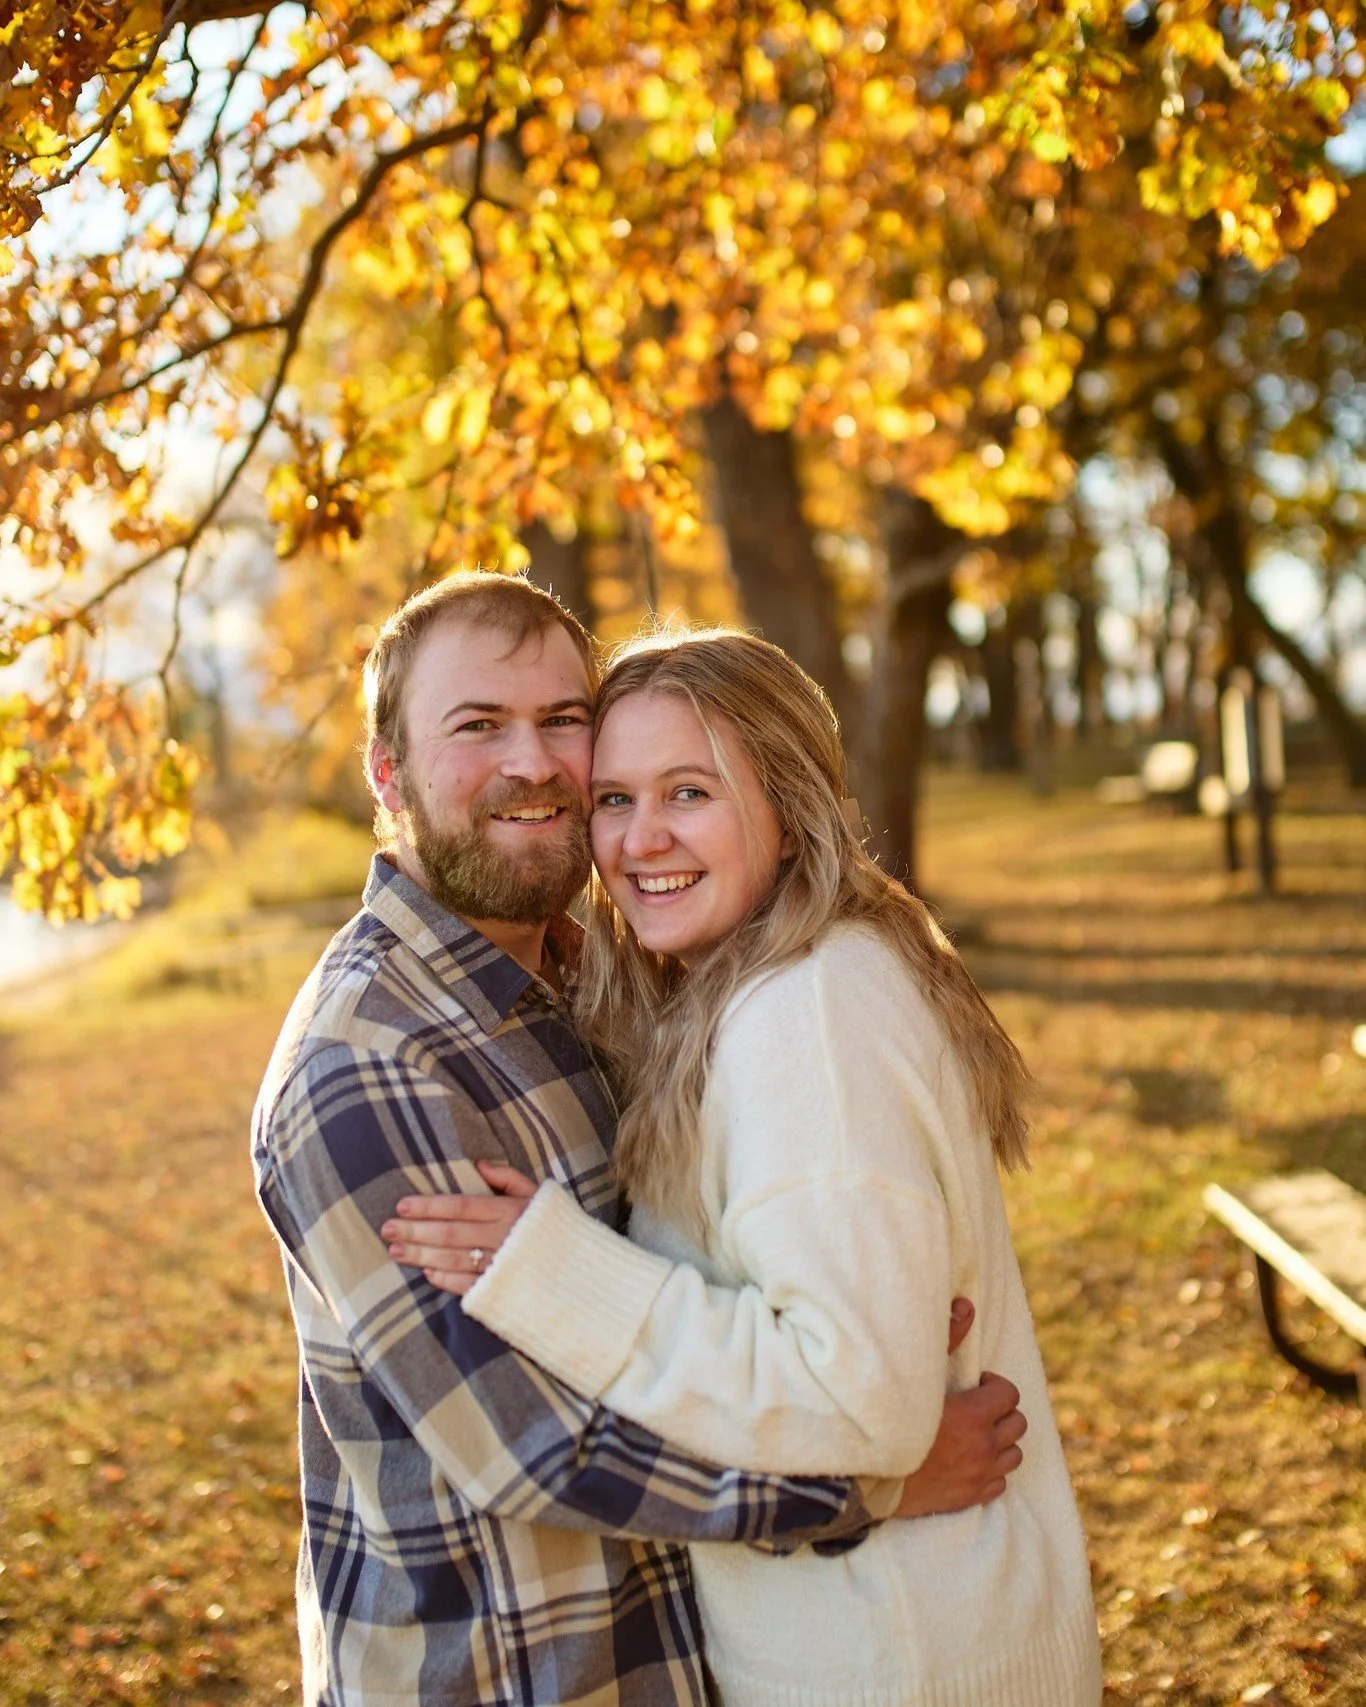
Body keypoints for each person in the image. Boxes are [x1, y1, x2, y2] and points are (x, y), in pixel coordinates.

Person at [251, 573, 1029, 1707]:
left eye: (563, 720)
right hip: (505, 1671)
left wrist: (870, 1320)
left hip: (665, 1654)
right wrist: (874, 1480)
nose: (534, 763)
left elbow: (694, 1284)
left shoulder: (600, 982)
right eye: (478, 726)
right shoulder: (368, 1063)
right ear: (387, 771)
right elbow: (537, 1443)